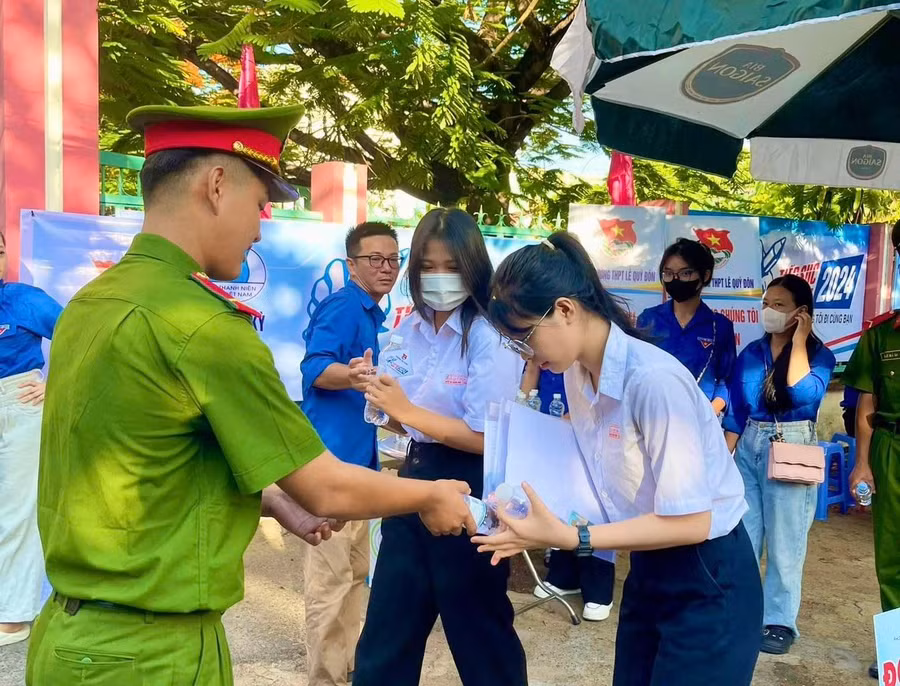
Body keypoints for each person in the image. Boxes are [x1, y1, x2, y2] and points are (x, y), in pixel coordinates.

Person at [26, 105, 475, 686]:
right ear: (216, 185)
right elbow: (326, 486)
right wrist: (430, 495)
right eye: (258, 202)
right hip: (151, 655)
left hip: (68, 638)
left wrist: (269, 500)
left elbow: (148, 457)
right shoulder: (204, 326)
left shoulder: (91, 303)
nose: (260, 226)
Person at [474, 232, 762, 686]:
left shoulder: (653, 382)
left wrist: (572, 537)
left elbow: (691, 521)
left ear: (565, 310)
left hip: (708, 576)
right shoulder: (576, 376)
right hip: (649, 567)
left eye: (525, 338)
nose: (527, 355)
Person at [353, 208, 528, 686]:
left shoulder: (491, 337)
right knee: (387, 632)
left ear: (473, 266)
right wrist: (376, 395)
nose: (438, 278)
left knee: (480, 634)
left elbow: (486, 436)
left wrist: (407, 411)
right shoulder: (408, 330)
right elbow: (401, 417)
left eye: (450, 266)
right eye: (427, 267)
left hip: (471, 485)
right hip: (413, 478)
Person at [299, 221, 401, 686]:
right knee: (331, 578)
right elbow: (315, 369)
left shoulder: (374, 314)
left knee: (357, 572)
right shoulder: (343, 306)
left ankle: (347, 666)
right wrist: (354, 375)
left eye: (392, 259)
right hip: (332, 468)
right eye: (374, 260)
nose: (386, 267)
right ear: (353, 264)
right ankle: (325, 676)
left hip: (360, 465)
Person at [723, 274, 836, 656]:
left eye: (780, 305)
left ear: (801, 313)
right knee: (745, 535)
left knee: (787, 542)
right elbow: (737, 409)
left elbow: (803, 392)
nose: (769, 312)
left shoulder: (821, 355)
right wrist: (725, 454)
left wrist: (800, 340)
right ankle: (743, 612)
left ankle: (779, 622)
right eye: (766, 303)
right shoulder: (752, 353)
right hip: (750, 443)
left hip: (793, 442)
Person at [842, 219, 900, 680]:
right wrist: (862, 463)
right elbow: (867, 402)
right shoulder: (882, 334)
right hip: (890, 449)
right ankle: (896, 660)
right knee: (892, 557)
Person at [0, 232, 63, 647]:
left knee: (16, 511)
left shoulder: (24, 299)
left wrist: (56, 382)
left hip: (17, 405)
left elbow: (82, 336)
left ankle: (12, 615)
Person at [520, 360, 616, 622]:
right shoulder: (544, 349)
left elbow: (604, 401)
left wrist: (572, 418)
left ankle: (597, 586)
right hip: (551, 427)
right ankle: (564, 575)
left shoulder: (595, 349)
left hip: (590, 434)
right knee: (559, 502)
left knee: (591, 506)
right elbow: (530, 374)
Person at [637, 238, 736, 415]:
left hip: (700, 420)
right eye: (668, 273)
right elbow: (635, 372)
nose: (675, 280)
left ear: (705, 276)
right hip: (652, 416)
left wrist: (709, 412)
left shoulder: (720, 326)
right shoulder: (648, 319)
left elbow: (726, 381)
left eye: (685, 273)